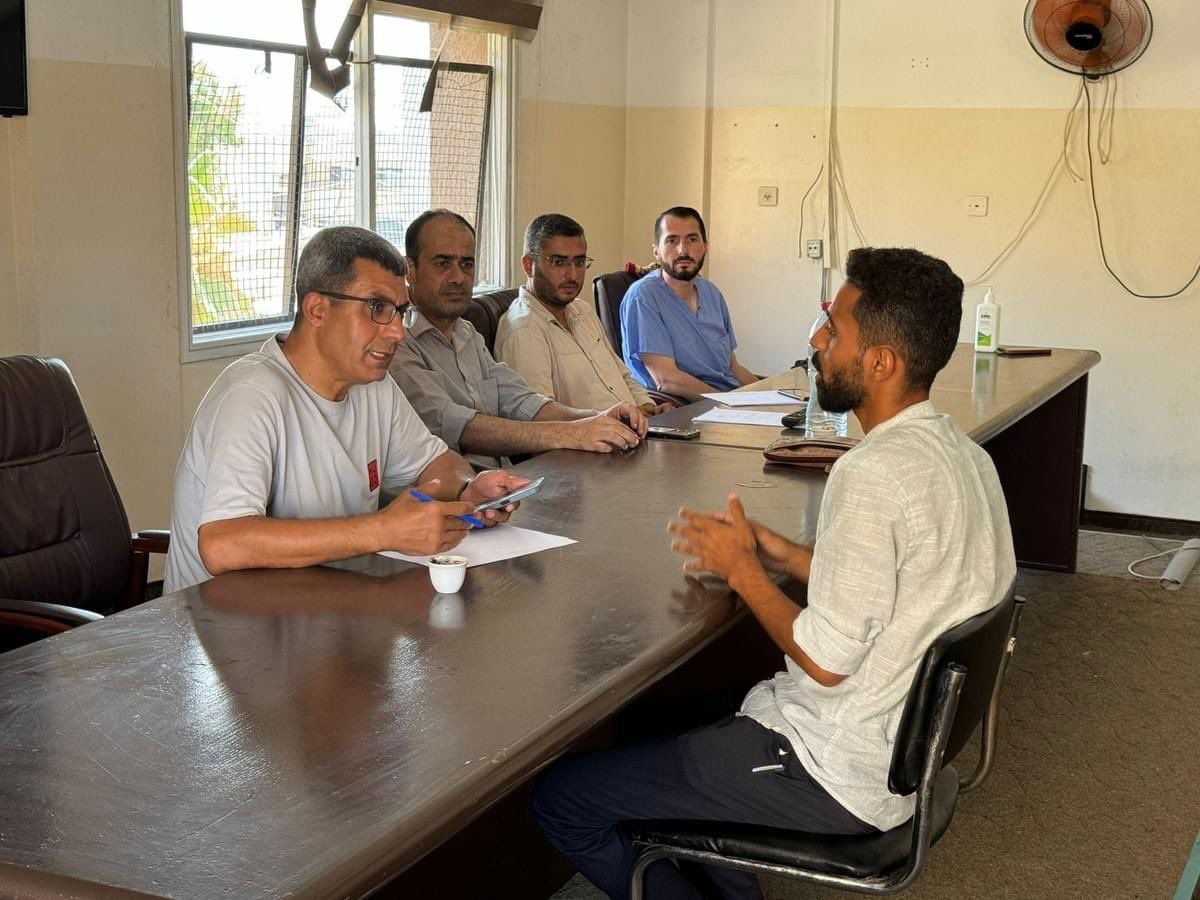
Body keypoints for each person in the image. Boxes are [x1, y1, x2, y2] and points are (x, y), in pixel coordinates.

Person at [533, 247, 1017, 900]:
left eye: (834, 330)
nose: (815, 340)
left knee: (562, 797)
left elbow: (824, 661)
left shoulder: (871, 473)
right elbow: (899, 589)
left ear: (880, 362)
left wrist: (743, 572)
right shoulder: (958, 453)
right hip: (903, 747)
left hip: (833, 767)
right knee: (657, 723)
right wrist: (783, 554)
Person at [164, 226, 528, 595]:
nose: (397, 333)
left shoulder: (373, 386)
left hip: (328, 609)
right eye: (377, 308)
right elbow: (222, 545)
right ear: (317, 309)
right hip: (220, 632)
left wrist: (466, 491)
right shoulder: (252, 394)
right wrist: (385, 530)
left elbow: (439, 465)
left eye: (400, 312)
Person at [389, 209, 647, 470]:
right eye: (442, 263)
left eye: (466, 264)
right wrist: (570, 433)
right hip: (451, 497)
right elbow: (458, 426)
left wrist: (595, 419)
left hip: (504, 485)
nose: (458, 277)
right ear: (409, 270)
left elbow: (520, 400)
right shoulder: (397, 341)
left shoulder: (466, 333)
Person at [495, 213, 674, 416]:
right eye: (558, 262)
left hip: (634, 432)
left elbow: (624, 376)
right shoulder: (524, 330)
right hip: (590, 443)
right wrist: (611, 422)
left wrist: (650, 410)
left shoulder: (583, 310)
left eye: (579, 262)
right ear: (529, 265)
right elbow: (539, 419)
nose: (572, 275)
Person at [620, 207, 758, 401]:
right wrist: (729, 404)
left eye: (692, 239)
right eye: (671, 240)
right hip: (685, 409)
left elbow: (732, 366)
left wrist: (771, 397)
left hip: (728, 401)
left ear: (706, 246)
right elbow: (666, 379)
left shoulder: (711, 293)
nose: (683, 250)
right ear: (656, 251)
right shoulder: (643, 296)